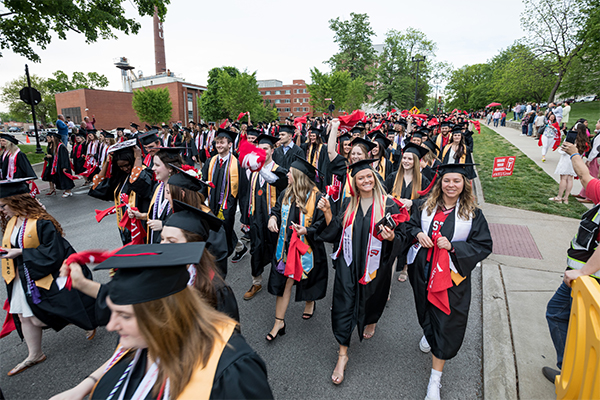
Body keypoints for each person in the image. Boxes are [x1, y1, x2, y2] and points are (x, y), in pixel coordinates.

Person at [50, 243, 273, 400]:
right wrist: (82, 387)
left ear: (163, 316)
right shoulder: (145, 342)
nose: (111, 326)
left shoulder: (232, 372)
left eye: (124, 316)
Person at [405, 163, 493, 400]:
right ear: (440, 182)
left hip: (451, 279)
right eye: (447, 181)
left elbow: (484, 245)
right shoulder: (424, 206)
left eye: (456, 181)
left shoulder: (473, 213)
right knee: (425, 311)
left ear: (464, 184)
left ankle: (435, 380)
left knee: (445, 323)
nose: (451, 185)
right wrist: (417, 233)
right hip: (423, 271)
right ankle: (428, 331)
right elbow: (409, 224)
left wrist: (454, 246)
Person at [317, 159, 406, 385]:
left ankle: (371, 319)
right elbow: (336, 231)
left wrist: (393, 237)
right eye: (360, 178)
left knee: (371, 301)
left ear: (374, 178)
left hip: (374, 267)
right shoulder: (349, 203)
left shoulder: (389, 205)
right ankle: (342, 354)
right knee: (343, 305)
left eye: (369, 176)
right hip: (348, 265)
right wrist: (327, 211)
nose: (366, 180)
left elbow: (404, 237)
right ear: (354, 182)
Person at [0, 179, 97, 376]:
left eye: (3, 205)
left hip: (42, 273)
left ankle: (76, 318)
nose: (1, 210)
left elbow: (53, 252)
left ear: (16, 201)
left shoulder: (41, 222)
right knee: (22, 314)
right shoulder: (12, 221)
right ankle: (34, 353)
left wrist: (20, 253)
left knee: (37, 317)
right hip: (20, 276)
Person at [541, 140, 600, 383]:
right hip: (583, 281)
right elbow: (585, 176)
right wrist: (575, 154)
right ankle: (573, 372)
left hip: (590, 282)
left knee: (558, 314)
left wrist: (583, 272)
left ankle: (573, 375)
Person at [265, 156, 328, 341]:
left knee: (308, 278)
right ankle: (279, 322)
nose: (287, 175)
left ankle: (310, 301)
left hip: (308, 247)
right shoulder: (286, 192)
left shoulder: (317, 197)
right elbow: (276, 210)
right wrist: (272, 218)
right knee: (286, 281)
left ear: (299, 176)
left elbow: (323, 223)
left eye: (290, 173)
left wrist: (307, 230)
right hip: (285, 248)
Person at [161, 200, 239, 321]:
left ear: (193, 245)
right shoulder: (160, 275)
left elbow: (229, 337)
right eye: (162, 239)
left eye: (171, 241)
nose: (163, 246)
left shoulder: (217, 290)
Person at [244, 134, 288, 300]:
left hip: (274, 219)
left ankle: (279, 283)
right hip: (257, 218)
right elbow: (247, 194)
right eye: (259, 149)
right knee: (256, 249)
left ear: (272, 150)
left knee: (277, 250)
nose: (262, 152)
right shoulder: (252, 173)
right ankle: (256, 282)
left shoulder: (280, 171)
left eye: (265, 149)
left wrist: (259, 168)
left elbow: (276, 181)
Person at [89, 142, 154, 245]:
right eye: (121, 166)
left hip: (141, 226)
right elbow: (98, 186)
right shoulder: (121, 177)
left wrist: (138, 157)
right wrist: (107, 161)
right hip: (125, 226)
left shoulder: (146, 174)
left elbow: (139, 182)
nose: (125, 169)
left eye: (127, 165)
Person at [385, 143, 431, 282]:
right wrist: (390, 198)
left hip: (412, 220)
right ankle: (388, 284)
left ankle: (405, 268)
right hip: (395, 220)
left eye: (410, 159)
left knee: (409, 246)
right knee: (392, 250)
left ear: (416, 161)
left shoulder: (423, 180)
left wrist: (413, 202)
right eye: (404, 158)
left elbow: (429, 201)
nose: (406, 161)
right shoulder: (393, 177)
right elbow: (383, 194)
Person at [202, 128, 248, 260]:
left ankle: (219, 259)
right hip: (212, 202)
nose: (219, 146)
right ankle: (240, 247)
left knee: (224, 229)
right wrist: (199, 199)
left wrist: (244, 217)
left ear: (230, 144)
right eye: (217, 143)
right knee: (218, 228)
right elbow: (204, 183)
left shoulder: (237, 164)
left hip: (227, 205)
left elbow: (243, 192)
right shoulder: (210, 162)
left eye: (222, 142)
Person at [128, 148, 183, 244]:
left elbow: (185, 220)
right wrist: (140, 215)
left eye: (157, 165)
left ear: (170, 168)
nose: (153, 168)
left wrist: (163, 225)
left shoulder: (180, 191)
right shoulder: (157, 188)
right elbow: (157, 215)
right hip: (156, 240)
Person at [550, 124, 589, 204]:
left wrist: (560, 148)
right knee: (570, 179)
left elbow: (563, 151)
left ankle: (559, 197)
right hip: (575, 160)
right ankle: (566, 198)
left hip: (566, 159)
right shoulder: (583, 140)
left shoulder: (571, 138)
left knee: (563, 178)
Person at [47, 132, 75, 198]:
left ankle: (68, 191)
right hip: (59, 165)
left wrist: (64, 166)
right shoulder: (57, 147)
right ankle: (67, 190)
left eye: (52, 137)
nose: (51, 139)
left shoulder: (61, 147)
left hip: (63, 166)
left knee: (66, 178)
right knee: (62, 178)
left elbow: (64, 157)